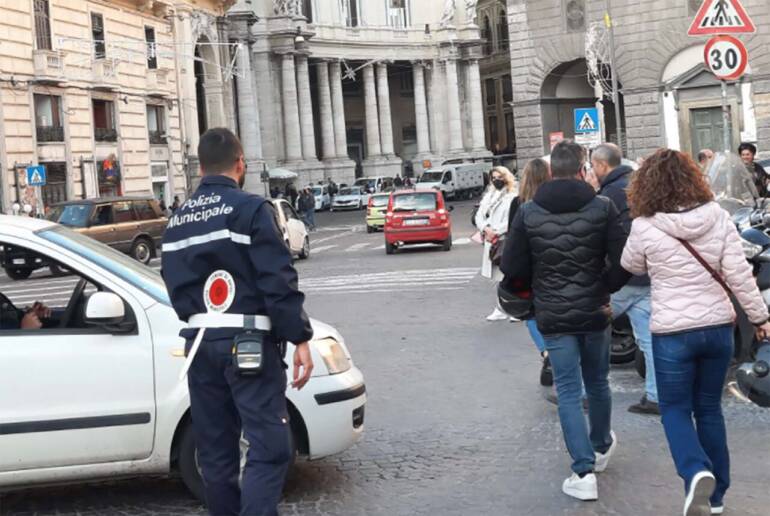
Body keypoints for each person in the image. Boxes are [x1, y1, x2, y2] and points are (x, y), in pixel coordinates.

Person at [160, 128, 314, 516]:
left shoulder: (178, 221)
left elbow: (174, 286)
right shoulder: (250, 209)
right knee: (272, 446)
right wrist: (299, 337)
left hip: (199, 345)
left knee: (215, 456)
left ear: (200, 168)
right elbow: (277, 279)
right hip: (248, 344)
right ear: (240, 163)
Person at [622, 149, 770, 516]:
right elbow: (739, 275)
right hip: (717, 328)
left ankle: (695, 471)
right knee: (709, 410)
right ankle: (717, 497)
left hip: (672, 331)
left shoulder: (645, 224)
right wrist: (761, 318)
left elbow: (629, 264)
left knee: (674, 408)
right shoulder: (718, 217)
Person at [501, 140, 629, 502]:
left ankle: (583, 471)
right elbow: (623, 259)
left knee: (569, 391)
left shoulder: (529, 212)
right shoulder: (602, 207)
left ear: (552, 171)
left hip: (554, 314)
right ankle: (601, 445)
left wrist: (538, 289)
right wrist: (604, 286)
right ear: (582, 169)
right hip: (594, 310)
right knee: (598, 383)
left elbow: (512, 266)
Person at [591, 143, 658, 416]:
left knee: (589, 331)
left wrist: (608, 278)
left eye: (593, 167)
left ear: (602, 165)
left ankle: (585, 393)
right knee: (649, 340)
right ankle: (656, 396)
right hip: (648, 275)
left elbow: (607, 241)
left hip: (623, 278)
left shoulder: (609, 194)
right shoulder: (641, 185)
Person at [506, 158, 551, 382]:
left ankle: (546, 351)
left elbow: (512, 241)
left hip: (529, 269)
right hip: (552, 265)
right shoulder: (553, 202)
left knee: (531, 314)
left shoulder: (518, 203)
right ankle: (554, 353)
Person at [474, 166, 517, 322]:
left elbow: (512, 219)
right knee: (495, 277)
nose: (496, 180)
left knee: (507, 276)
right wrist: (485, 228)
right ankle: (500, 308)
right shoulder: (488, 196)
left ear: (506, 177)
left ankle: (513, 308)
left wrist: (496, 231)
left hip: (504, 239)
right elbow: (479, 216)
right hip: (490, 240)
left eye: (499, 177)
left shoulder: (513, 196)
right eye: (493, 177)